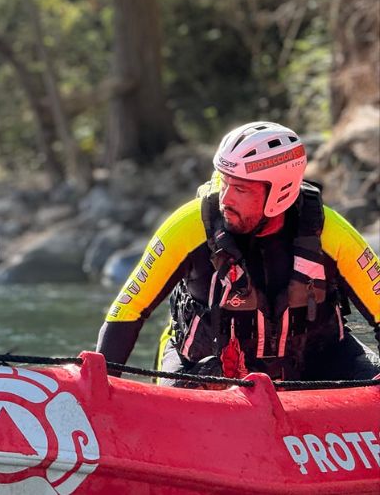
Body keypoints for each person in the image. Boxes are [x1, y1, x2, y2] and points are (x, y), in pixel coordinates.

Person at [97, 121, 379, 385]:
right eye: (224, 182)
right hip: (203, 368)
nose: (225, 199)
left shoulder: (332, 234)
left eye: (241, 189)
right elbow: (128, 310)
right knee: (202, 378)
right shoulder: (187, 226)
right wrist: (100, 392)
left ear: (280, 192)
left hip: (315, 365)